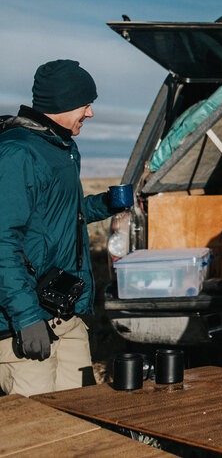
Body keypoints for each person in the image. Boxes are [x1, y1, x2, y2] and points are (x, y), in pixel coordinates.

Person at [0, 59, 120, 396]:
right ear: (63, 102)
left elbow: (62, 214)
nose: (91, 113)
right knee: (38, 435)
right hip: (25, 321)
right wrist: (26, 318)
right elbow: (2, 241)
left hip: (66, 313)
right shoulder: (17, 153)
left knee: (82, 421)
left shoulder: (62, 147)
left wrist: (107, 205)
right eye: (86, 104)